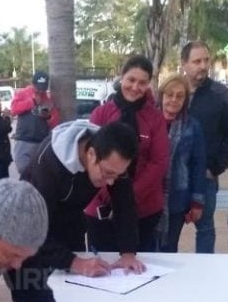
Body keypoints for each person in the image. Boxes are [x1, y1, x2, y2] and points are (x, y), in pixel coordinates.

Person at [21, 119, 143, 277]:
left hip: (72, 225)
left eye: (118, 175)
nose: (111, 182)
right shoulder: (47, 166)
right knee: (41, 291)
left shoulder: (112, 158)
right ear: (91, 154)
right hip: (29, 234)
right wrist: (74, 263)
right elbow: (32, 231)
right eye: (108, 174)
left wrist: (128, 252)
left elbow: (125, 204)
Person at [84, 55, 170, 253]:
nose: (135, 87)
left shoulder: (155, 118)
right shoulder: (101, 113)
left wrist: (129, 197)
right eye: (131, 79)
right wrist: (107, 192)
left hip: (143, 208)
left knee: (137, 271)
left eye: (142, 82)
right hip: (100, 206)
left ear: (148, 84)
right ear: (122, 77)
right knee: (102, 267)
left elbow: (159, 162)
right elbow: (90, 158)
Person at [181, 41, 228, 253]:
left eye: (206, 60)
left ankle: (203, 274)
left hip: (205, 179)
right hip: (174, 179)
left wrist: (214, 168)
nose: (203, 65)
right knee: (168, 229)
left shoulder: (221, 96)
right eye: (197, 61)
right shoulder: (174, 93)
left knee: (205, 229)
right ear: (184, 64)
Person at [155, 73, 207, 253]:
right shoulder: (149, 122)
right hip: (149, 197)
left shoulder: (192, 126)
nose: (174, 100)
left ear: (185, 100)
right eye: (169, 95)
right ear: (161, 95)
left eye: (180, 96)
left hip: (177, 197)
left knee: (169, 248)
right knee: (146, 249)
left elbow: (198, 165)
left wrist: (197, 203)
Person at [11, 70, 60, 175]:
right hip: (24, 139)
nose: (40, 91)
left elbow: (55, 121)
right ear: (33, 84)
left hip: (40, 141)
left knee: (39, 172)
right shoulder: (23, 93)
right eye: (38, 87)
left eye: (43, 88)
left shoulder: (47, 99)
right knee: (23, 170)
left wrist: (48, 117)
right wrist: (31, 102)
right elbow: (14, 109)